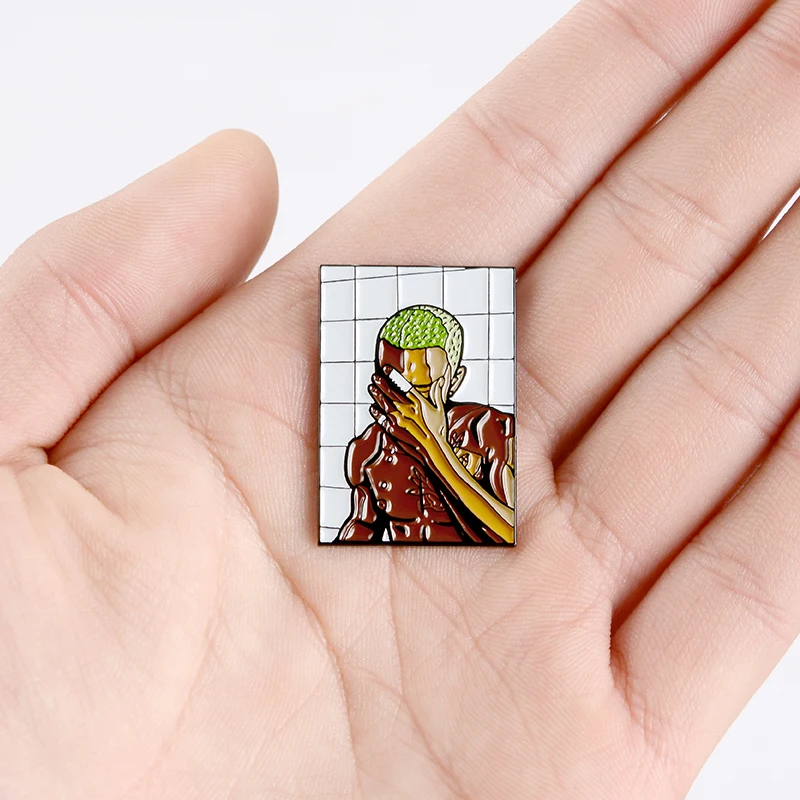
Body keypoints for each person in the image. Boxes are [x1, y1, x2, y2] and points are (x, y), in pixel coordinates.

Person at [2, 0, 800, 796]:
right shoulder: (362, 444)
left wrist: (433, 447)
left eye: (417, 375)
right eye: (386, 369)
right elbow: (362, 523)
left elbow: (485, 520)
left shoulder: (483, 432)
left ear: (450, 377)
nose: (394, 387)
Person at [336, 304, 515, 544]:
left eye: (421, 391)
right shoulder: (370, 449)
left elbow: (512, 531)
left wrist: (435, 447)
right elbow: (359, 532)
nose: (411, 409)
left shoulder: (489, 431)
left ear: (454, 381)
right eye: (393, 389)